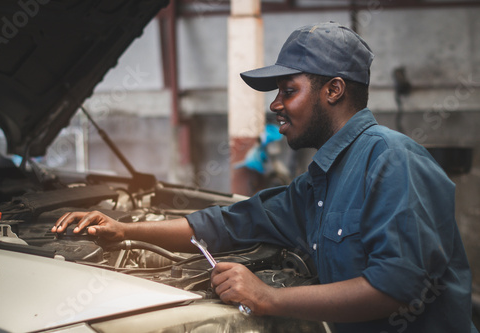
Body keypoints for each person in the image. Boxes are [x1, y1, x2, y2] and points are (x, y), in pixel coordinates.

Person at [52, 22, 477, 332]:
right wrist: (125, 230)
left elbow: (396, 288)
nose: (274, 106)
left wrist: (268, 298)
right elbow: (229, 222)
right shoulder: (319, 183)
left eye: (287, 90)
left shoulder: (392, 160)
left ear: (333, 90)